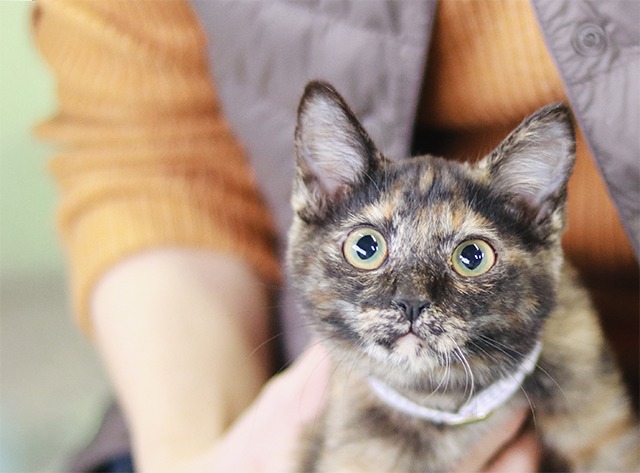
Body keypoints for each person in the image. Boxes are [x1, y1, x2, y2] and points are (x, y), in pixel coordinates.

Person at [32, 1, 638, 472]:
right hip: (278, 362)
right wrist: (197, 453)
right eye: (366, 248)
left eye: (470, 255)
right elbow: (149, 157)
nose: (411, 299)